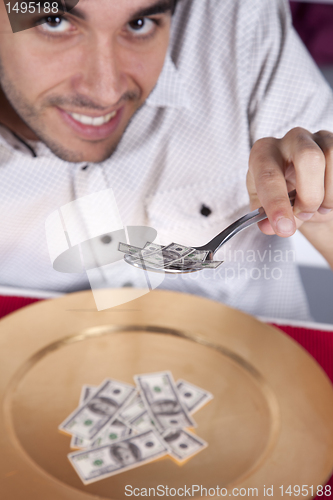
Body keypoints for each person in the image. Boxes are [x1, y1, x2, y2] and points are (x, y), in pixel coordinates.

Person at [0, 0, 332, 319]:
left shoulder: (234, 18)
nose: (105, 92)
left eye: (138, 24)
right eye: (53, 21)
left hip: (267, 362)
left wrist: (325, 212)